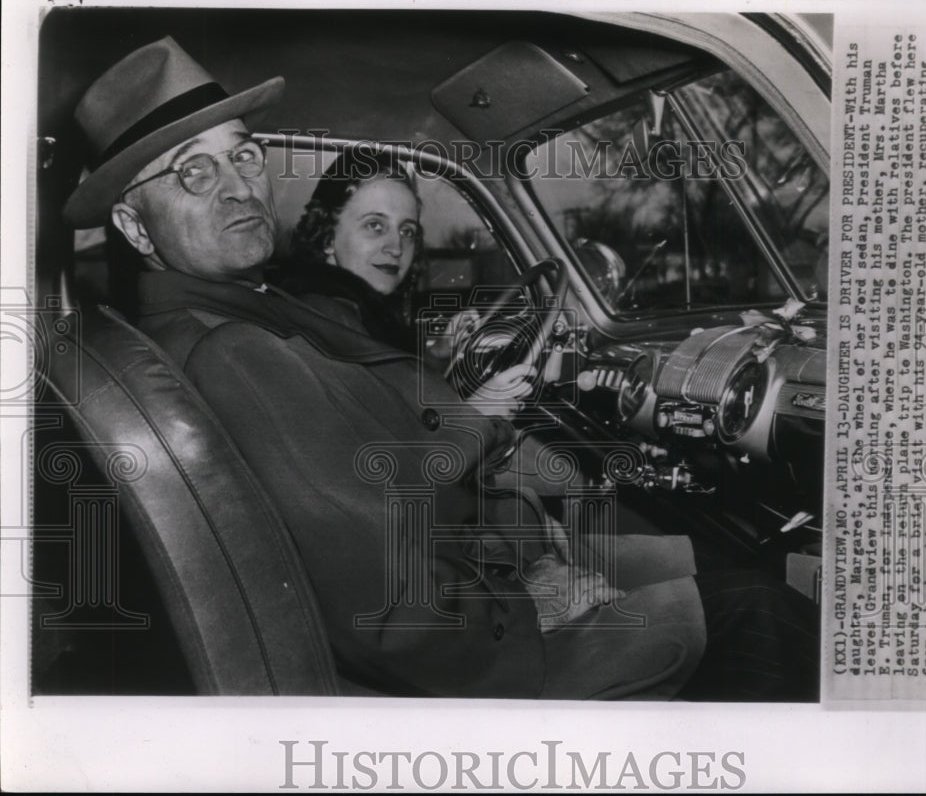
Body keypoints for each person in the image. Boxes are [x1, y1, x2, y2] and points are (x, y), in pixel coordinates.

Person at [63, 37, 818, 701]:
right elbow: (395, 614)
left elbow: (372, 472)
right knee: (758, 605)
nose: (236, 184)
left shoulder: (250, 314)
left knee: (716, 570)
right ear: (132, 225)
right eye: (193, 173)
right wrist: (540, 596)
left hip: (482, 561)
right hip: (494, 644)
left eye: (244, 153)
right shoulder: (236, 351)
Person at [280, 151, 534, 416]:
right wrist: (473, 415)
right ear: (328, 237)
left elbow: (397, 397)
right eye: (375, 225)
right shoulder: (325, 320)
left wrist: (438, 354)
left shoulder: (355, 312)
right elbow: (379, 445)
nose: (396, 247)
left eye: (407, 231)